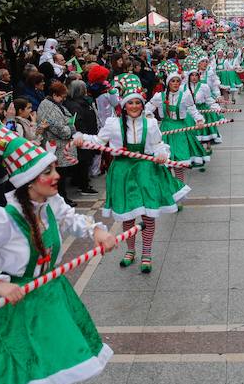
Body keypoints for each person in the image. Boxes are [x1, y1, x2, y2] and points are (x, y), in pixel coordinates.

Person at [0, 130, 117, 384]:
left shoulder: (51, 201)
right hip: (16, 306)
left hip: (50, 296)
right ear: (28, 182)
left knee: (51, 372)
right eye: (47, 171)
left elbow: (71, 218)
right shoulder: (2, 219)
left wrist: (96, 231)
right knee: (17, 378)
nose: (57, 176)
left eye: (53, 169)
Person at [74, 73, 189, 273]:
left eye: (138, 103)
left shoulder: (151, 123)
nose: (134, 106)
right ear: (124, 106)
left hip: (146, 171)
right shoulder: (113, 124)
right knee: (128, 216)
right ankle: (130, 250)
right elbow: (99, 142)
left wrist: (162, 153)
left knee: (148, 215)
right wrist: (80, 137)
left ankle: (146, 253)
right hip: (123, 172)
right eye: (130, 103)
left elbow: (158, 144)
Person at [144, 63, 207, 185]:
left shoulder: (185, 95)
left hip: (180, 131)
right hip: (165, 129)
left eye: (178, 81)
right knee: (166, 162)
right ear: (168, 83)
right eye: (173, 81)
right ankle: (170, 189)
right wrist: (149, 118)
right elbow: (147, 109)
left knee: (179, 162)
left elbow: (192, 109)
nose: (176, 83)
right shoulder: (159, 96)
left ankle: (180, 189)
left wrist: (199, 120)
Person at [36, 81, 77, 203]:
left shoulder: (54, 104)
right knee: (59, 175)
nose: (63, 99)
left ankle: (62, 198)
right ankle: (61, 199)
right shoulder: (49, 108)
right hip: (56, 146)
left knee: (61, 174)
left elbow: (67, 119)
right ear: (54, 95)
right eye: (62, 97)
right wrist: (70, 128)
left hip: (58, 146)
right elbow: (61, 129)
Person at [64, 80, 101, 195]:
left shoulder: (82, 102)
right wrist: (83, 137)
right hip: (83, 137)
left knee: (85, 161)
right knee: (83, 161)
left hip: (89, 134)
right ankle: (83, 185)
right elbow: (77, 122)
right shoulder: (75, 105)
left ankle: (81, 181)